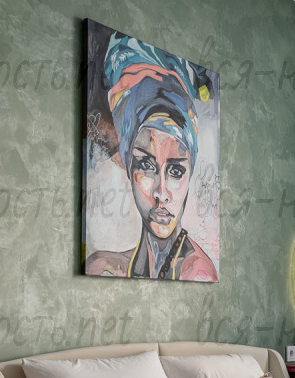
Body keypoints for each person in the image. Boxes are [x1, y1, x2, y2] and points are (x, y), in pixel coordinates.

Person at [85, 35, 217, 281]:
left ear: (190, 173)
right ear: (128, 168)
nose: (161, 193)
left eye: (176, 171)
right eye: (146, 165)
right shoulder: (101, 267)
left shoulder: (197, 273)